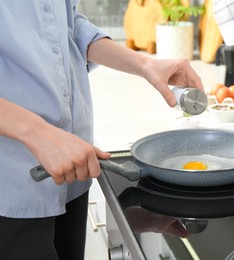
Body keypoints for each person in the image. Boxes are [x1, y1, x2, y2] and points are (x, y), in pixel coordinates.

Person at [0, 1, 204, 259]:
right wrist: (38, 132)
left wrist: (144, 65)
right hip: (11, 184)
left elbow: (68, 26)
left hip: (72, 172)